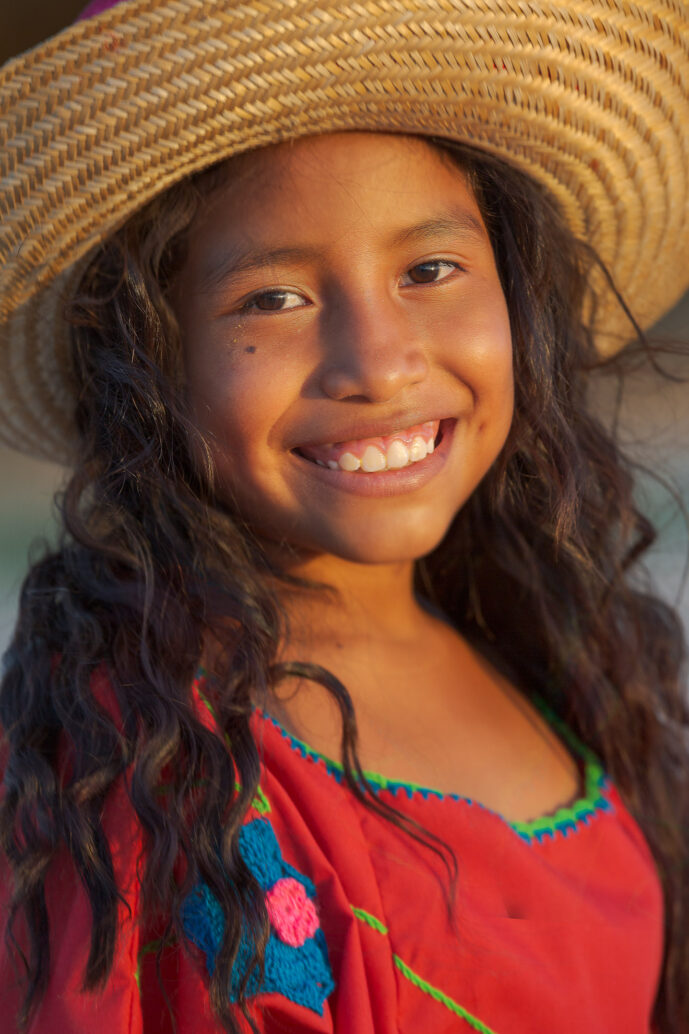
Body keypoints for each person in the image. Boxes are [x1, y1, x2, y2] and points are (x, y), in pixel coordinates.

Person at [0, 0, 688, 1031]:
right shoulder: (159, 771)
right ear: (147, 361)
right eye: (273, 298)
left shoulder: (548, 653)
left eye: (427, 271)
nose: (376, 364)